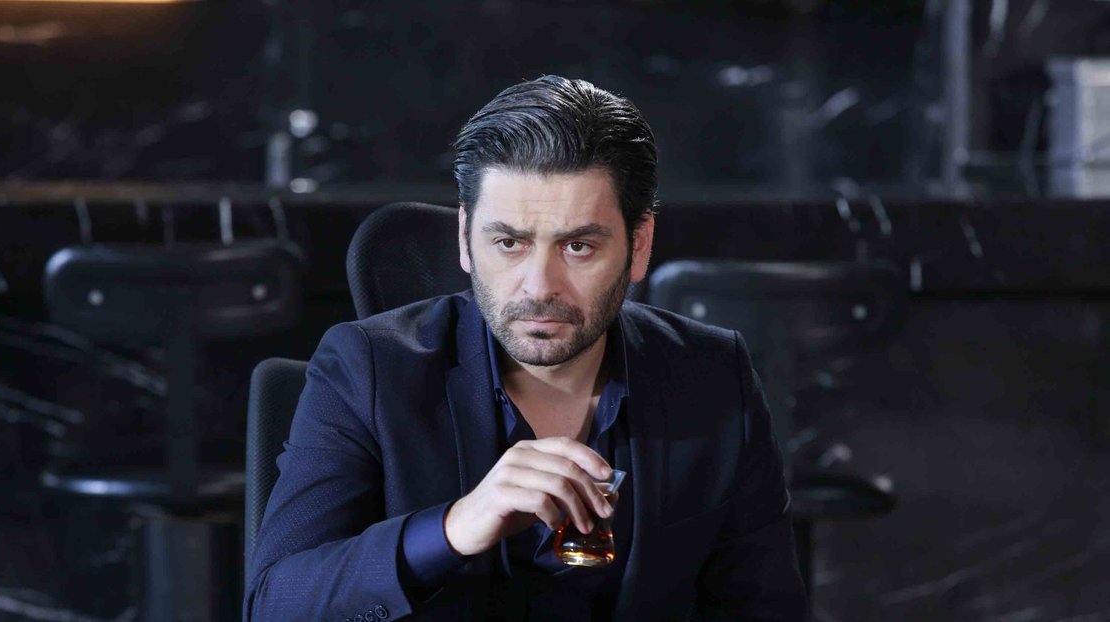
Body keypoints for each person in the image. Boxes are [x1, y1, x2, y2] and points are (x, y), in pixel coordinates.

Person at [245, 75, 806, 621]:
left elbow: (766, 606)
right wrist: (455, 527)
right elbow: (275, 604)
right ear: (465, 239)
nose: (539, 287)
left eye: (578, 246)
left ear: (638, 246)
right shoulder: (364, 366)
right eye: (509, 242)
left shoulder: (712, 373)